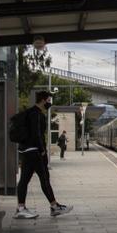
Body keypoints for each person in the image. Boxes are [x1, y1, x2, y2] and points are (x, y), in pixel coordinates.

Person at [14, 91, 72, 219]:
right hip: (35, 152)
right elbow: (37, 135)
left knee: (24, 180)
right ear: (43, 100)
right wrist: (42, 150)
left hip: (26, 151)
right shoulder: (38, 115)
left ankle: (21, 208)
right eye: (49, 100)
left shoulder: (29, 113)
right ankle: (54, 207)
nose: (50, 103)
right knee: (44, 178)